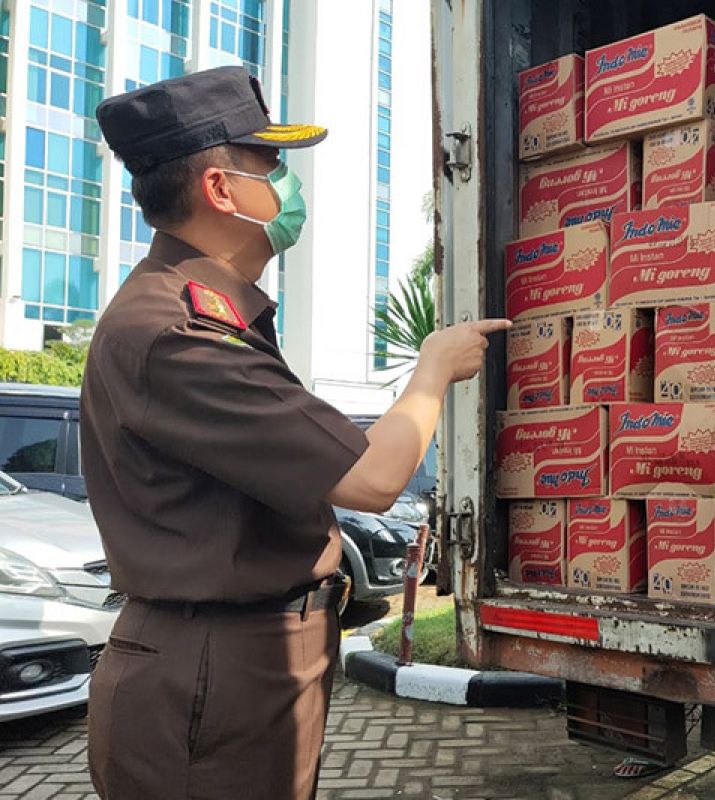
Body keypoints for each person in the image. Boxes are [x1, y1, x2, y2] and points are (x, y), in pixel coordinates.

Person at [81, 65, 509, 799]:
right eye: (271, 165)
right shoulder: (177, 331)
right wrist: (432, 370)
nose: (287, 184)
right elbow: (373, 479)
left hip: (247, 663)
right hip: (211, 672)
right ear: (221, 190)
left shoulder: (209, 312)